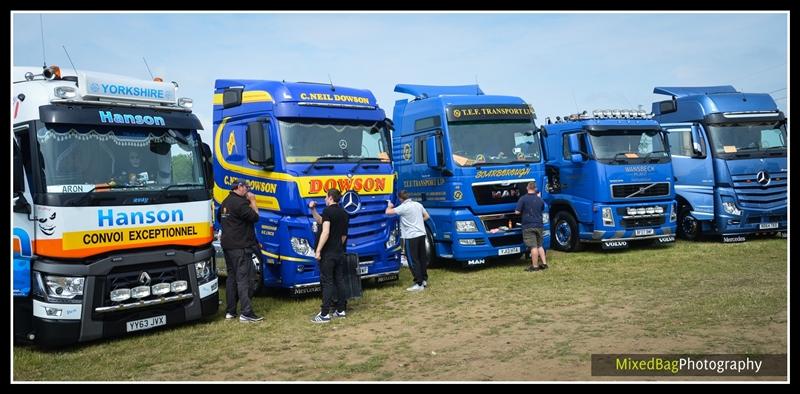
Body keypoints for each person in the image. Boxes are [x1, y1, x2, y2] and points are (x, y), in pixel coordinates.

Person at [219, 180, 263, 322]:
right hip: (240, 247)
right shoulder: (241, 203)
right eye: (247, 188)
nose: (248, 191)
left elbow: (221, 219)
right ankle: (246, 313)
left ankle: (230, 312)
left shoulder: (225, 201)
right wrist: (253, 201)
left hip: (228, 246)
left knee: (231, 278)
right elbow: (255, 217)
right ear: (239, 187)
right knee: (245, 279)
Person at [309, 189, 349, 323]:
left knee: (327, 282)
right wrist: (313, 210)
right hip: (339, 252)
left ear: (330, 197)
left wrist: (319, 250)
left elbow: (325, 232)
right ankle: (341, 310)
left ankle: (324, 314)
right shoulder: (344, 213)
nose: (325, 199)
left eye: (326, 197)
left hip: (328, 254)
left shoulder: (328, 211)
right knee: (340, 280)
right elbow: (343, 235)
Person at [385, 190, 431, 292]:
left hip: (411, 236)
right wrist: (418, 222)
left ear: (401, 199)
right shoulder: (418, 204)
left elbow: (388, 212)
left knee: (412, 260)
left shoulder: (403, 207)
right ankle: (424, 280)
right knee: (421, 258)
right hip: (421, 234)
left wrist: (389, 205)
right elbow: (427, 216)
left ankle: (418, 283)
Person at [515, 181, 548, 271]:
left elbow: (517, 212)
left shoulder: (523, 199)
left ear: (527, 188)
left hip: (528, 225)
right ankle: (544, 264)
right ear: (535, 189)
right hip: (539, 225)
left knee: (533, 246)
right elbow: (542, 208)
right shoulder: (540, 199)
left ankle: (535, 266)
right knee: (540, 245)